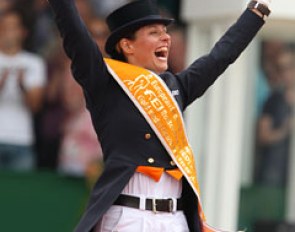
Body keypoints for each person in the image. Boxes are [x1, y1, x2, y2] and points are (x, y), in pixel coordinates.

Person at [47, 0, 271, 231]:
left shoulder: (176, 86)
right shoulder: (104, 82)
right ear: (127, 45)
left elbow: (221, 56)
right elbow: (74, 32)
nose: (166, 38)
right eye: (154, 33)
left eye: (166, 32)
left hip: (175, 219)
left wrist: (258, 10)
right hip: (128, 218)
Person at [0, 8, 46, 171]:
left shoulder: (34, 63)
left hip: (21, 140)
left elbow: (36, 106)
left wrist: (22, 86)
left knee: (20, 194)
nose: (7, 32)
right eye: (3, 26)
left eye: (12, 27)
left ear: (23, 32)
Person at [255, 49, 295, 187]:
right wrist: (285, 130)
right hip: (274, 173)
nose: (286, 73)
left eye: (289, 67)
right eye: (281, 69)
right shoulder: (273, 100)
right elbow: (263, 136)